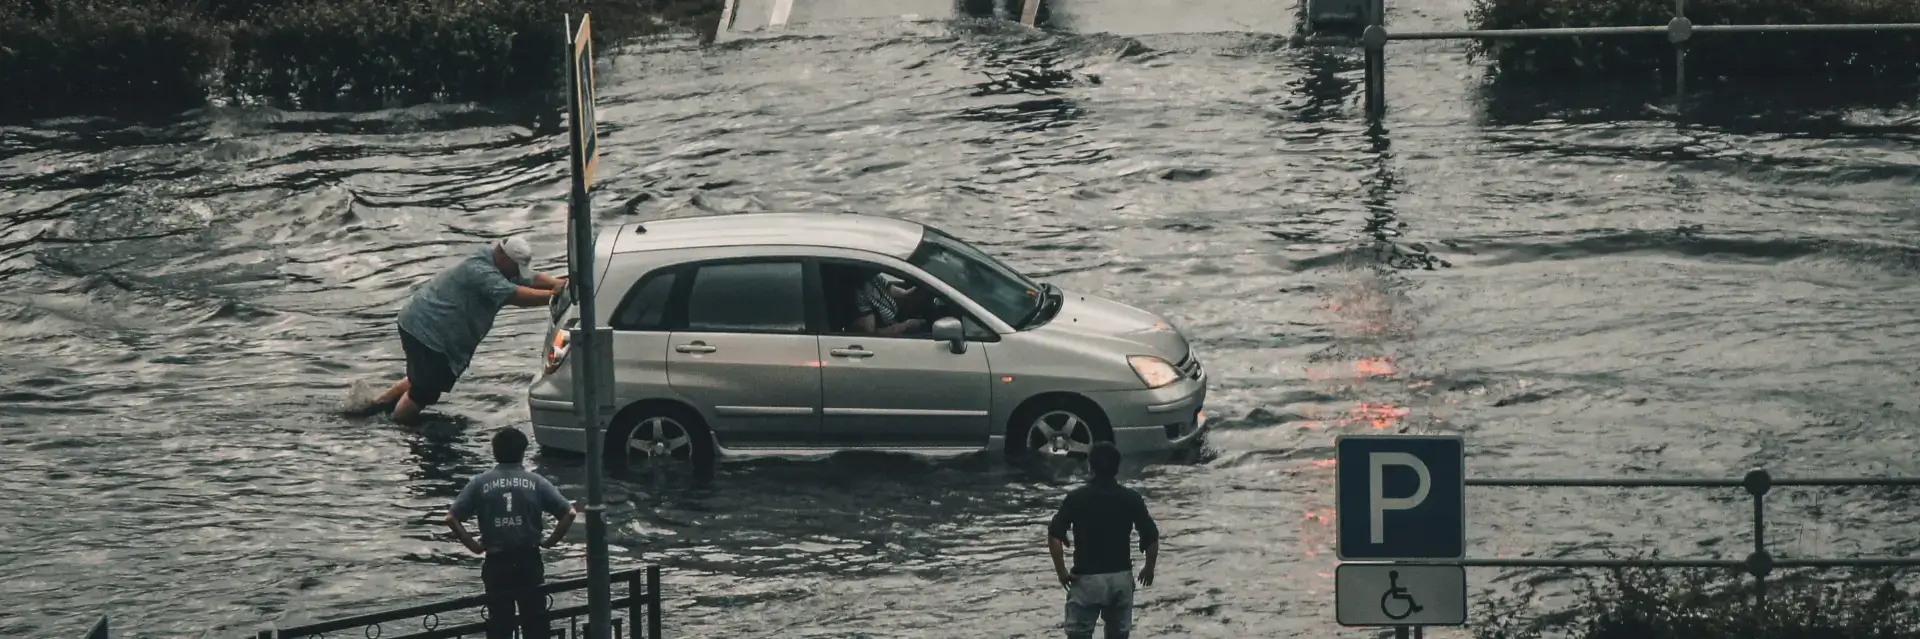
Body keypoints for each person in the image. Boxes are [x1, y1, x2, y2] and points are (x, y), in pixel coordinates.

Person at [348, 236, 566, 424]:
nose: (518, 273)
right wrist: (555, 297)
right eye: (516, 268)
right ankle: (402, 425)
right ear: (503, 257)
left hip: (425, 325)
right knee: (425, 391)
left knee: (424, 375)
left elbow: (531, 278)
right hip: (427, 330)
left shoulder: (496, 261)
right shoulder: (480, 271)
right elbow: (515, 296)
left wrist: (561, 284)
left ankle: (378, 405)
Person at [447, 428, 577, 639]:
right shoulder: (536, 482)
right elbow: (569, 513)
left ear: (495, 452)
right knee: (535, 623)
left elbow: (451, 518)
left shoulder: (480, 483)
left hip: (497, 562)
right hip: (529, 560)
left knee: (500, 625)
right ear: (523, 452)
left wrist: (474, 546)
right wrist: (550, 541)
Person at [1047, 441, 1159, 639]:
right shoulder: (1131, 498)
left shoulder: (1076, 498)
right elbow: (1151, 537)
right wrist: (1149, 568)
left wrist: (1062, 572)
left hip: (1087, 579)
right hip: (1120, 578)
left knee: (1078, 635)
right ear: (1117, 468)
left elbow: (1055, 537)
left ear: (1090, 466)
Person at [843, 267, 933, 336]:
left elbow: (904, 293)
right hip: (889, 338)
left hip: (897, 324)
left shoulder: (875, 279)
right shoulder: (859, 295)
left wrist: (922, 285)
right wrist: (905, 326)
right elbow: (872, 333)